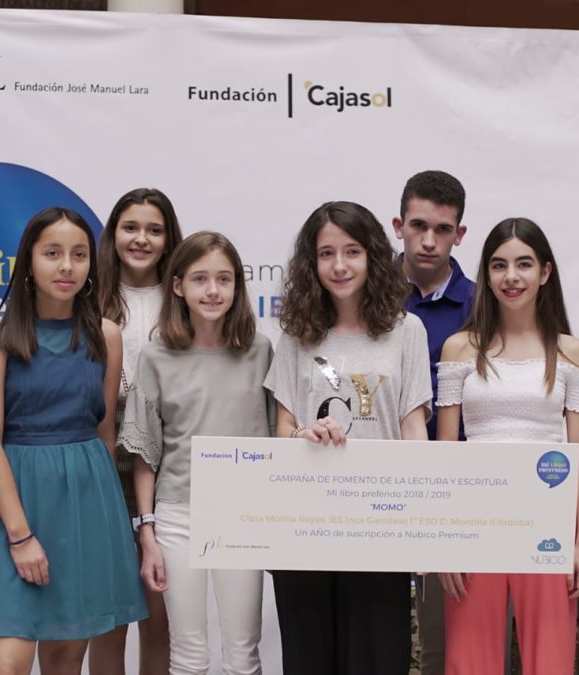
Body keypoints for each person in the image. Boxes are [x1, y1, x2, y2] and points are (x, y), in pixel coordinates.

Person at [0, 207, 147, 675]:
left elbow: (104, 431)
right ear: (29, 260)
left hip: (89, 501)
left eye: (78, 255)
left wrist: (108, 519)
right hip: (19, 506)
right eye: (52, 253)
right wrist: (18, 531)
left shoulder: (106, 335)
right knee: (4, 663)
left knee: (66, 659)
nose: (66, 266)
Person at [265, 201, 432, 675]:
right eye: (326, 254)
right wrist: (305, 433)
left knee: (377, 659)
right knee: (308, 659)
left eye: (352, 251)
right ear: (310, 263)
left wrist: (419, 527)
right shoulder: (295, 336)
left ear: (373, 256)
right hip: (304, 527)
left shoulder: (407, 331)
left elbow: (413, 430)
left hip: (381, 525)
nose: (339, 266)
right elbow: (282, 432)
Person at [435, 217, 579, 675]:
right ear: (486, 274)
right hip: (475, 523)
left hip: (547, 523)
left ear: (545, 272)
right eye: (500, 265)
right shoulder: (459, 349)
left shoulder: (570, 352)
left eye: (524, 264)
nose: (512, 277)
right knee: (469, 661)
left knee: (551, 661)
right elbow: (447, 448)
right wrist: (446, 539)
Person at [121, 231, 273, 675]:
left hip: (243, 516)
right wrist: (147, 532)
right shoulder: (156, 356)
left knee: (243, 652)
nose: (212, 291)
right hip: (177, 516)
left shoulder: (260, 352)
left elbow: (279, 435)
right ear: (178, 286)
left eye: (224, 280)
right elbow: (147, 454)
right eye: (201, 279)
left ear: (237, 287)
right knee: (187, 653)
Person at [90, 188, 183, 675]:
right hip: (101, 456)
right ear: (113, 234)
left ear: (169, 239)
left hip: (164, 462)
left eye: (154, 229)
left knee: (158, 609)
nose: (141, 239)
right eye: (130, 227)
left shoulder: (185, 297)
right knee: (110, 614)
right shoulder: (87, 294)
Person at [392, 170, 474, 675]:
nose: (428, 240)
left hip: (457, 487)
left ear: (460, 234)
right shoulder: (366, 294)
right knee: (376, 633)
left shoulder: (483, 304)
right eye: (418, 225)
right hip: (373, 483)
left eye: (442, 229)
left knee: (447, 639)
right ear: (398, 224)